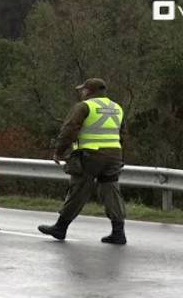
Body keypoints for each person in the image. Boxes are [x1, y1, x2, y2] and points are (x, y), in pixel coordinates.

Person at [37, 78, 128, 244]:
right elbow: (122, 133)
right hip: (114, 155)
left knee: (78, 189)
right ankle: (118, 232)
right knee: (111, 191)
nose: (81, 93)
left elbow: (69, 129)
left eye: (83, 90)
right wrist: (116, 152)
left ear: (89, 91)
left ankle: (60, 227)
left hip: (91, 155)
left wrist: (59, 151)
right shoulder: (117, 108)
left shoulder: (84, 106)